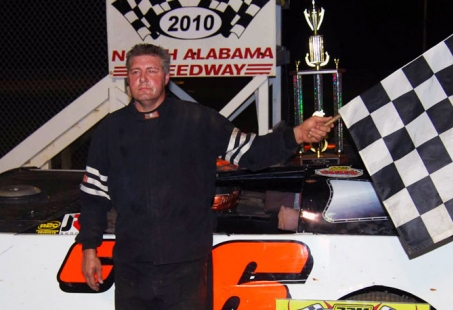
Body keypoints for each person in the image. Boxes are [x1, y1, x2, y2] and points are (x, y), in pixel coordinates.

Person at [76, 43, 333, 310]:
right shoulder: (109, 130)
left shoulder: (199, 120)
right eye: (135, 71)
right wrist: (89, 248)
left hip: (187, 264)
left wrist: (297, 135)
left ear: (166, 77)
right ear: (127, 78)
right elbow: (93, 197)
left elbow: (251, 153)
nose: (143, 78)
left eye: (151, 70)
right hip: (132, 266)